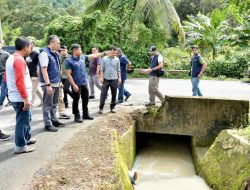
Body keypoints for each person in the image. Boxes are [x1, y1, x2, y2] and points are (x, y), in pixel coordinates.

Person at [5, 37, 36, 154]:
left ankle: (26, 139)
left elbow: (6, 77)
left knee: (27, 119)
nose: (31, 48)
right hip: (20, 98)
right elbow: (19, 81)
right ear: (25, 47)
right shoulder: (19, 60)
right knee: (22, 122)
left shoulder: (11, 58)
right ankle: (20, 146)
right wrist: (25, 98)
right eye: (30, 46)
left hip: (16, 96)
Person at [65, 44, 105, 123]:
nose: (81, 51)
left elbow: (94, 55)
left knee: (85, 99)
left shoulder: (82, 57)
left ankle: (85, 114)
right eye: (80, 50)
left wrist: (103, 53)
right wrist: (73, 85)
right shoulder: (69, 61)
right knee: (76, 100)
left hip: (84, 82)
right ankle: (76, 116)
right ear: (75, 50)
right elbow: (68, 74)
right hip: (76, 84)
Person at [39, 35, 64, 132]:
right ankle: (48, 124)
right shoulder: (45, 54)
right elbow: (44, 70)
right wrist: (47, 85)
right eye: (58, 43)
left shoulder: (56, 54)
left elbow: (58, 69)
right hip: (49, 84)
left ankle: (54, 120)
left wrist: (60, 81)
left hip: (56, 83)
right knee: (47, 104)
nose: (59, 45)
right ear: (52, 43)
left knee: (54, 104)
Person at [98, 46, 121, 114]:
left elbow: (118, 70)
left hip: (114, 79)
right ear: (110, 51)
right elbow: (102, 69)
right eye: (113, 53)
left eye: (116, 53)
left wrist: (119, 78)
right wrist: (101, 78)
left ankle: (112, 107)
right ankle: (101, 108)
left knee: (114, 94)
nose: (115, 54)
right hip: (106, 79)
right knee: (103, 94)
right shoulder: (104, 59)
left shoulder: (117, 59)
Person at [26, 40, 43, 107]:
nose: (30, 45)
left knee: (32, 90)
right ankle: (43, 100)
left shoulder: (36, 54)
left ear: (33, 45)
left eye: (31, 44)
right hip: (28, 74)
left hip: (34, 74)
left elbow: (40, 65)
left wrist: (39, 75)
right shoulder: (26, 53)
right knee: (36, 89)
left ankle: (31, 104)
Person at [57, 45, 71, 119]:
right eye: (62, 50)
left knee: (66, 89)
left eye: (64, 50)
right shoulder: (59, 58)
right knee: (63, 91)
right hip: (61, 76)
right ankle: (66, 103)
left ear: (67, 50)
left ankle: (73, 96)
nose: (63, 51)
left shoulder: (70, 57)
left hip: (68, 76)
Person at [0, 42, 10, 110]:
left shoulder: (6, 54)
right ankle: (10, 99)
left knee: (3, 89)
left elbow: (10, 64)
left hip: (4, 73)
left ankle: (0, 103)